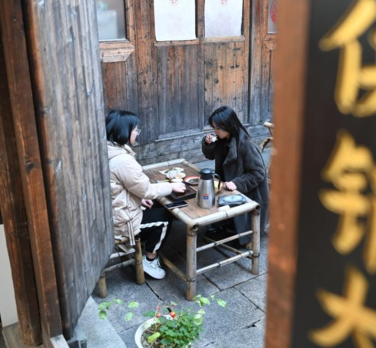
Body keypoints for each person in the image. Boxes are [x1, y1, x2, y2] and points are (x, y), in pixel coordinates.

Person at [106, 110, 186, 279]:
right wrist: (172, 187)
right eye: (135, 130)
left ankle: (147, 245)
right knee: (165, 216)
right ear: (124, 131)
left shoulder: (106, 151)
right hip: (121, 224)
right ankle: (150, 258)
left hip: (112, 214)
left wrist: (139, 199)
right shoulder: (123, 161)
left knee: (155, 205)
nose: (137, 133)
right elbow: (147, 190)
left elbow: (122, 188)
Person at [202, 106, 269, 247]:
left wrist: (237, 183)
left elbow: (258, 173)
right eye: (213, 127)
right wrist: (208, 144)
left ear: (228, 126)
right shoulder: (222, 139)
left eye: (217, 128)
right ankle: (224, 225)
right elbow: (209, 155)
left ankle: (243, 233)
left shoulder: (246, 144)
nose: (215, 131)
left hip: (251, 194)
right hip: (227, 186)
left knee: (237, 239)